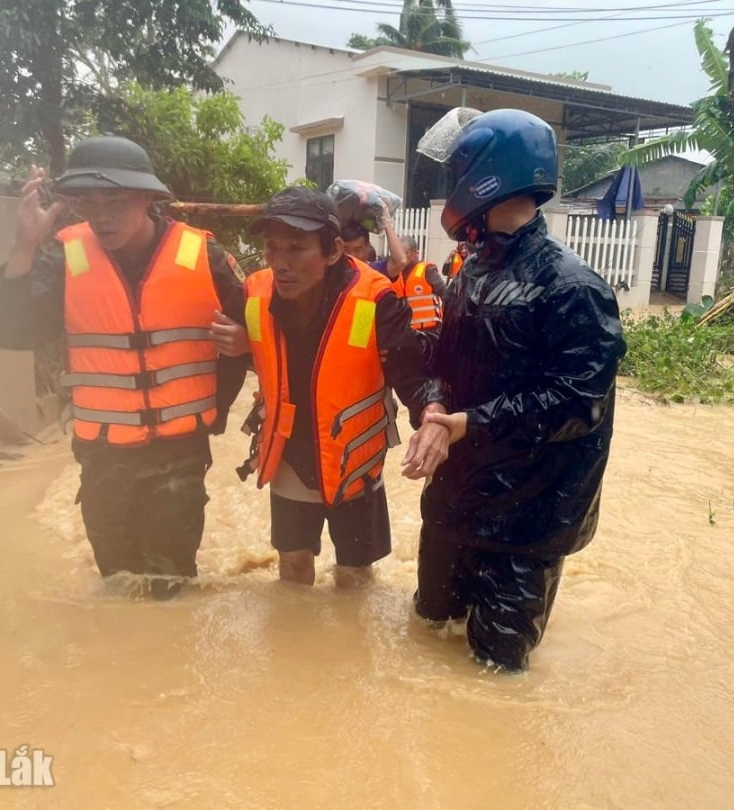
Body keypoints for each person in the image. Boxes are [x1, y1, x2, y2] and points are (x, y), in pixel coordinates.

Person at [0, 135, 249, 599]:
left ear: (147, 198)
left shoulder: (204, 257)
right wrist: (24, 247)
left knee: (168, 591)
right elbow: (12, 333)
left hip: (178, 456)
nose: (101, 214)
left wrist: (233, 370)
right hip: (103, 457)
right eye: (88, 202)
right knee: (117, 588)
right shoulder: (64, 258)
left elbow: (259, 340)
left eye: (116, 200)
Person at [411, 109, 627, 670]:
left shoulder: (572, 286)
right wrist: (435, 405)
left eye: (454, 170)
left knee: (495, 673)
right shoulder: (474, 269)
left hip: (526, 519)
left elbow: (580, 403)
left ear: (483, 174)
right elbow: (442, 358)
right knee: (428, 629)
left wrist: (470, 423)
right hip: (457, 498)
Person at [212, 187, 449, 588]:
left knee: (355, 578)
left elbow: (411, 374)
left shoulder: (377, 299)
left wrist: (432, 416)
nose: (280, 263)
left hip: (354, 463)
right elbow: (246, 350)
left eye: (296, 248)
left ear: (334, 250)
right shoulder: (253, 291)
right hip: (288, 456)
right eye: (272, 248)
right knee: (291, 572)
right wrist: (240, 352)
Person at [396, 235, 447, 331]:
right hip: (406, 331)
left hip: (430, 330)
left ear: (415, 253)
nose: (401, 256)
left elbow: (446, 295)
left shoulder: (427, 270)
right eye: (399, 253)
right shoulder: (396, 273)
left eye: (406, 252)